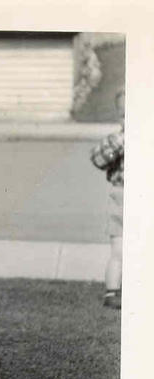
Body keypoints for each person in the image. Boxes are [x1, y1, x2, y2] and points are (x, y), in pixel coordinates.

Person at [90, 89, 125, 309]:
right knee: (119, 248)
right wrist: (121, 142)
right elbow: (97, 158)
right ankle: (112, 291)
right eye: (124, 115)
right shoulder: (117, 140)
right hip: (121, 195)